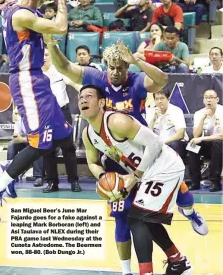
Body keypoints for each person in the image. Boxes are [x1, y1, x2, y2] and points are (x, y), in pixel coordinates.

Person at [44, 37, 208, 275]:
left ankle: (190, 217)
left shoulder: (135, 82)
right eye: (112, 68)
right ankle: (132, 270)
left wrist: (136, 62)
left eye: (121, 68)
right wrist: (52, 44)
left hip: (148, 153)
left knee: (175, 199)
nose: (116, 72)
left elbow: (162, 80)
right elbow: (65, 67)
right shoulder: (96, 83)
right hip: (119, 158)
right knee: (128, 216)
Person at [0, 0, 73, 224]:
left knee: (61, 133)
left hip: (37, 79)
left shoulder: (14, 3)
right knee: (40, 141)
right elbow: (61, 27)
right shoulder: (21, 15)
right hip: (26, 80)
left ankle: (10, 170)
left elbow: (37, 0)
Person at [79, 84, 192, 275]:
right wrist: (104, 177)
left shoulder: (117, 122)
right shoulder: (88, 134)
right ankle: (178, 261)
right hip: (146, 172)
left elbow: (155, 144)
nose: (82, 100)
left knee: (136, 217)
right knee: (144, 218)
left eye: (88, 96)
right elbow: (92, 162)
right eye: (80, 97)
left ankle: (150, 270)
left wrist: (135, 176)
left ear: (101, 103)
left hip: (164, 166)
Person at [42, 47, 81, 192]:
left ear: (51, 57)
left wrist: (85, 93)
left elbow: (74, 84)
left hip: (61, 113)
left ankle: (74, 181)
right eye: (42, 55)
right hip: (44, 115)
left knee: (68, 148)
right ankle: (52, 182)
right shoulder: (36, 74)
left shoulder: (58, 70)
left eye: (47, 55)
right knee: (47, 149)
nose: (44, 57)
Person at [189, 89, 223, 192]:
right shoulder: (199, 113)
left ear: (217, 99)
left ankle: (215, 182)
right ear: (203, 100)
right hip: (206, 145)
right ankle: (194, 181)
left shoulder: (221, 112)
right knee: (192, 144)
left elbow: (221, 135)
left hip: (220, 145)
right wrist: (203, 119)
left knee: (217, 143)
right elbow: (196, 135)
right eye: (206, 97)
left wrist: (202, 138)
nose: (209, 100)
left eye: (211, 97)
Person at [146, 88, 188, 158]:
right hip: (157, 145)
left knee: (174, 144)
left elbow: (180, 134)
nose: (159, 101)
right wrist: (153, 119)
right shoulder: (151, 112)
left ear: (168, 99)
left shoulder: (176, 111)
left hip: (175, 143)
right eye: (157, 99)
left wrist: (163, 143)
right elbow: (147, 133)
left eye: (162, 98)